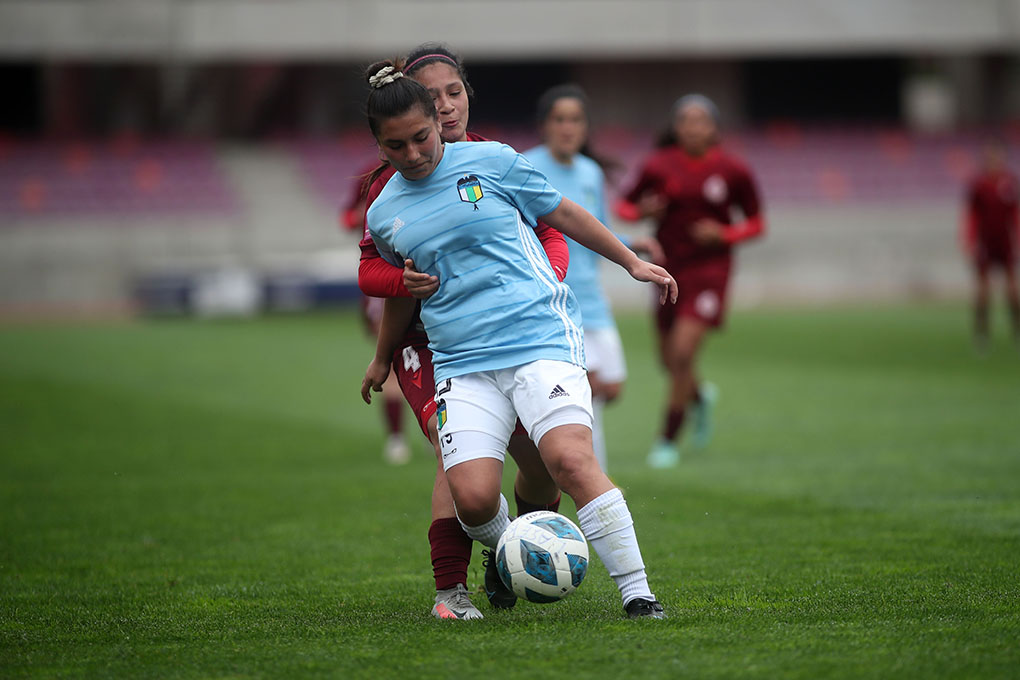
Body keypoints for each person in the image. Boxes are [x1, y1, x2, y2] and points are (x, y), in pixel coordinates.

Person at [360, 58, 676, 618]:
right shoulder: (384, 212)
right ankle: (517, 550)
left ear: (438, 119)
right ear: (379, 146)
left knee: (570, 461)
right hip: (462, 361)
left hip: (537, 338)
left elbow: (565, 215)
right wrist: (382, 357)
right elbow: (402, 290)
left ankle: (638, 593)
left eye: (421, 138)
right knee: (475, 500)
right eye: (396, 147)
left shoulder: (494, 160)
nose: (413, 155)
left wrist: (630, 262)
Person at [356, 43, 566, 620]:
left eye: (455, 91)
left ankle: (514, 562)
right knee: (459, 463)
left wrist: (544, 281)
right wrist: (404, 285)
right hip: (433, 345)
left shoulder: (496, 160)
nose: (447, 106)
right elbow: (369, 268)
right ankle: (451, 591)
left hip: (514, 334)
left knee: (543, 469)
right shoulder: (388, 184)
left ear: (467, 94)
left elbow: (551, 229)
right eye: (435, 96)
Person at [617, 94, 765, 469]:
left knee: (682, 354)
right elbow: (624, 206)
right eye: (686, 120)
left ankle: (667, 439)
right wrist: (642, 211)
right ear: (676, 127)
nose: (694, 127)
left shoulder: (733, 170)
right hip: (667, 270)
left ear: (714, 128)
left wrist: (726, 235)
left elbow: (757, 221)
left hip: (710, 272)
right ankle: (699, 397)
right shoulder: (658, 165)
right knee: (669, 361)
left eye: (702, 121)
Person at [522, 84, 664, 472]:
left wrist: (632, 243)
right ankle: (592, 478)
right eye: (559, 119)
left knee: (610, 387)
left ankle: (567, 462)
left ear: (586, 128)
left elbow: (595, 229)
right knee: (585, 392)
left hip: (593, 299)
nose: (567, 128)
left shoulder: (589, 172)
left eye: (575, 120)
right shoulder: (524, 167)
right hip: (553, 298)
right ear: (544, 126)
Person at [341, 164, 410, 464]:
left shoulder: (437, 162)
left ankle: (419, 433)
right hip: (387, 277)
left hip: (422, 276)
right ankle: (398, 437)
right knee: (392, 359)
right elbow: (346, 217)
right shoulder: (370, 175)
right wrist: (359, 217)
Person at [961, 139, 1019, 351]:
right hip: (985, 242)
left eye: (997, 157)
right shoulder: (978, 185)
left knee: (1012, 289)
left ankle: (1016, 330)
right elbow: (972, 215)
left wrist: (1018, 239)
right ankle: (982, 334)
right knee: (983, 291)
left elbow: (1015, 215)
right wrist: (969, 240)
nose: (993, 161)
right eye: (989, 157)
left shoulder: (1010, 182)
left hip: (1005, 242)